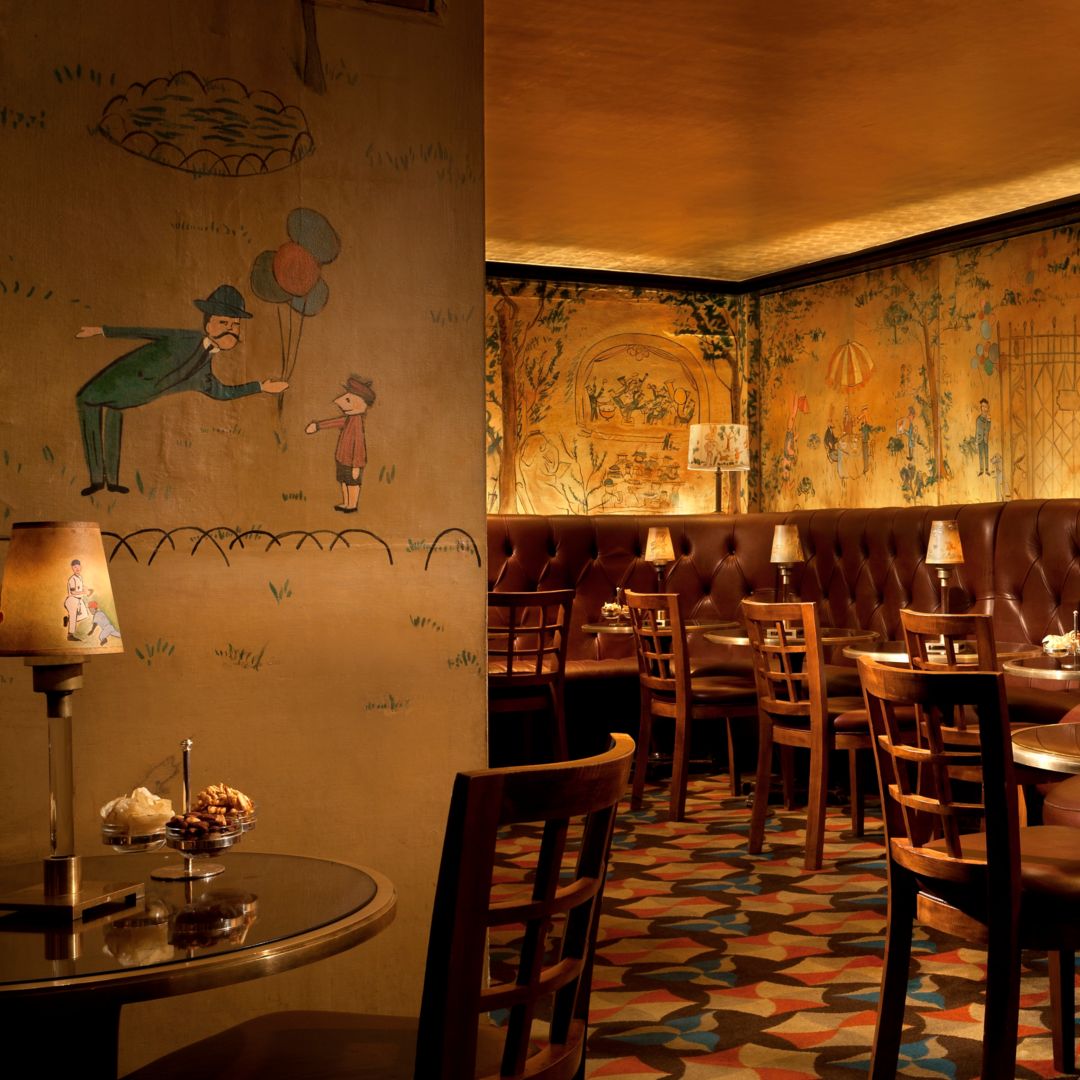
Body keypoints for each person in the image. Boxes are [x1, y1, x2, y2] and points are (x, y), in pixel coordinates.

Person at [75, 284, 288, 496]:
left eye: (235, 324)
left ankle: (111, 482)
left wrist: (261, 387)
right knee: (87, 403)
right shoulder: (183, 338)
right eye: (223, 322)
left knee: (115, 414)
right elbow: (144, 332)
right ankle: (96, 480)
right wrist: (102, 331)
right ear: (209, 325)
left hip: (134, 396)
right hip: (120, 378)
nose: (230, 329)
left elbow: (224, 393)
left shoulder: (202, 376)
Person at [305, 374, 376, 513]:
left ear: (361, 403)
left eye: (348, 399)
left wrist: (356, 465)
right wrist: (317, 425)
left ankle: (352, 505)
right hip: (342, 459)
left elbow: (359, 445)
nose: (340, 401)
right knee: (343, 481)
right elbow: (336, 422)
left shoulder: (357, 423)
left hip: (352, 462)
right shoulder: (349, 419)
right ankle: (346, 503)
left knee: (352, 483)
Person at [63, 559, 92, 642]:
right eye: (75, 567)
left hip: (78, 600)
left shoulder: (80, 577)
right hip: (71, 600)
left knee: (84, 615)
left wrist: (88, 589)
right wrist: (84, 592)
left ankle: (67, 619)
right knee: (73, 617)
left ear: (80, 567)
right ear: (72, 568)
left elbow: (80, 587)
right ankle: (70, 635)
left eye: (78, 566)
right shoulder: (72, 579)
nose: (77, 568)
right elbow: (73, 592)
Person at [976, 398, 991, 474]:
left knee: (986, 455)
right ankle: (981, 470)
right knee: (981, 455)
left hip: (985, 439)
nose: (984, 408)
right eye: (982, 406)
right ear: (981, 408)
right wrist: (976, 442)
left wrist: (988, 421)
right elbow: (977, 431)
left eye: (985, 406)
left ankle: (987, 470)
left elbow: (988, 429)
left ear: (987, 408)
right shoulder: (978, 419)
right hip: (979, 439)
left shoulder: (988, 418)